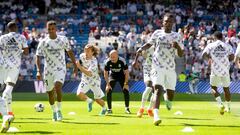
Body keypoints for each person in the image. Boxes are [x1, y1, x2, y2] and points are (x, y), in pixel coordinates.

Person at [136, 13, 184, 125]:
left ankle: (168, 100)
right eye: (166, 21)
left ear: (173, 24)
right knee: (157, 90)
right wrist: (141, 48)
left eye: (170, 22)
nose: (168, 23)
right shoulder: (157, 33)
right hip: (157, 66)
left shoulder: (177, 36)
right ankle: (156, 115)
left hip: (170, 68)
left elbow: (181, 54)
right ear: (163, 22)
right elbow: (149, 44)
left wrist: (177, 47)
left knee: (171, 94)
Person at [36, 20, 78, 121]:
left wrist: (75, 65)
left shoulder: (63, 39)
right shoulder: (43, 42)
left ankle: (59, 110)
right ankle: (54, 111)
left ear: (56, 29)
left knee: (58, 87)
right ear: (47, 30)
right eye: (49, 29)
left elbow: (70, 52)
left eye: (53, 29)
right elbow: (38, 56)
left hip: (60, 68)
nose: (51, 30)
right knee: (50, 92)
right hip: (48, 70)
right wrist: (38, 70)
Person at [0, 21, 29, 117]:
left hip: (2, 65)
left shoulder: (2, 38)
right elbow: (26, 52)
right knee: (8, 88)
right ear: (16, 28)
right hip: (14, 66)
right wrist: (18, 50)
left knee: (3, 87)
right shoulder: (21, 37)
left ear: (8, 29)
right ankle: (4, 110)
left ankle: (9, 111)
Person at [202, 31, 234, 115]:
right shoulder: (227, 45)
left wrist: (209, 58)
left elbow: (204, 55)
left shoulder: (210, 45)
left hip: (215, 70)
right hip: (225, 71)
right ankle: (228, 107)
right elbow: (232, 57)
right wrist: (225, 60)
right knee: (226, 89)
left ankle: (220, 104)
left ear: (214, 37)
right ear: (222, 37)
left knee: (213, 88)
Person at [76, 44, 107, 116]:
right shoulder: (82, 56)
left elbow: (89, 73)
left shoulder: (94, 62)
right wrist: (77, 67)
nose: (86, 52)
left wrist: (79, 67)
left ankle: (104, 108)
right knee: (79, 94)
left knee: (97, 99)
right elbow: (80, 63)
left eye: (88, 51)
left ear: (92, 52)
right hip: (85, 80)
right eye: (85, 50)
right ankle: (89, 101)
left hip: (94, 81)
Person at [104, 50, 130, 114]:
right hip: (112, 76)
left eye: (114, 57)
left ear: (117, 56)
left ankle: (127, 109)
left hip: (121, 76)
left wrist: (126, 83)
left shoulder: (122, 61)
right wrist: (107, 84)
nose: (112, 58)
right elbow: (105, 73)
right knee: (108, 90)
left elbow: (126, 73)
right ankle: (109, 109)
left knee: (126, 90)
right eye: (111, 57)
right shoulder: (107, 62)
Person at [132, 46, 155, 118]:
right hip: (147, 69)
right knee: (149, 87)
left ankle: (150, 109)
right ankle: (141, 109)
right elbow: (139, 51)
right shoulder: (149, 46)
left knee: (155, 91)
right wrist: (135, 61)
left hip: (157, 70)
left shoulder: (162, 48)